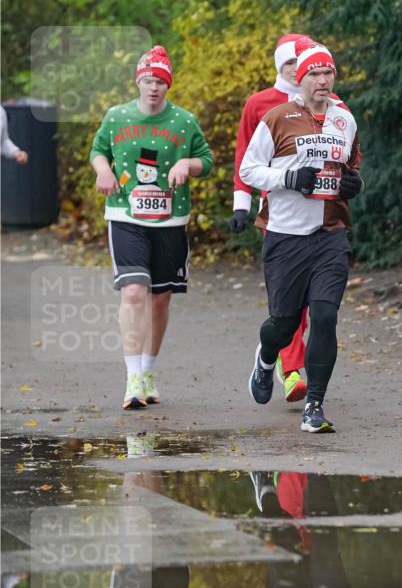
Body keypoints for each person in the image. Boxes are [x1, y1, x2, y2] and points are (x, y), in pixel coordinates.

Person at [240, 42, 363, 432]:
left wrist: (353, 184)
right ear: (300, 78)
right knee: (284, 323)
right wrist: (287, 178)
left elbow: (352, 165)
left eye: (329, 73)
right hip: (286, 235)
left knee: (325, 316)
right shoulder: (277, 118)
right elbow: (249, 169)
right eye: (315, 73)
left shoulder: (345, 119)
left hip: (331, 233)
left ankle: (315, 405)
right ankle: (266, 357)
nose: (323, 80)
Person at [90, 45, 213, 409]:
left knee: (160, 298)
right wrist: (103, 170)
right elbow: (98, 150)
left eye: (160, 80)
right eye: (148, 79)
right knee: (133, 292)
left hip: (170, 221)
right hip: (126, 216)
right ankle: (131, 379)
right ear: (138, 82)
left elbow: (206, 160)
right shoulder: (117, 117)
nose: (154, 86)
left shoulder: (185, 121)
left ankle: (148, 369)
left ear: (168, 84)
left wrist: (187, 165)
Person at [230, 34, 310, 403]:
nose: (299, 70)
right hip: (276, 213)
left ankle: (291, 366)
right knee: (287, 297)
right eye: (292, 63)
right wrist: (240, 205)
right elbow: (244, 157)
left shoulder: (322, 102)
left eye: (305, 63)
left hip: (318, 213)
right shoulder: (259, 103)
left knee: (311, 298)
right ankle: (290, 368)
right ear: (280, 66)